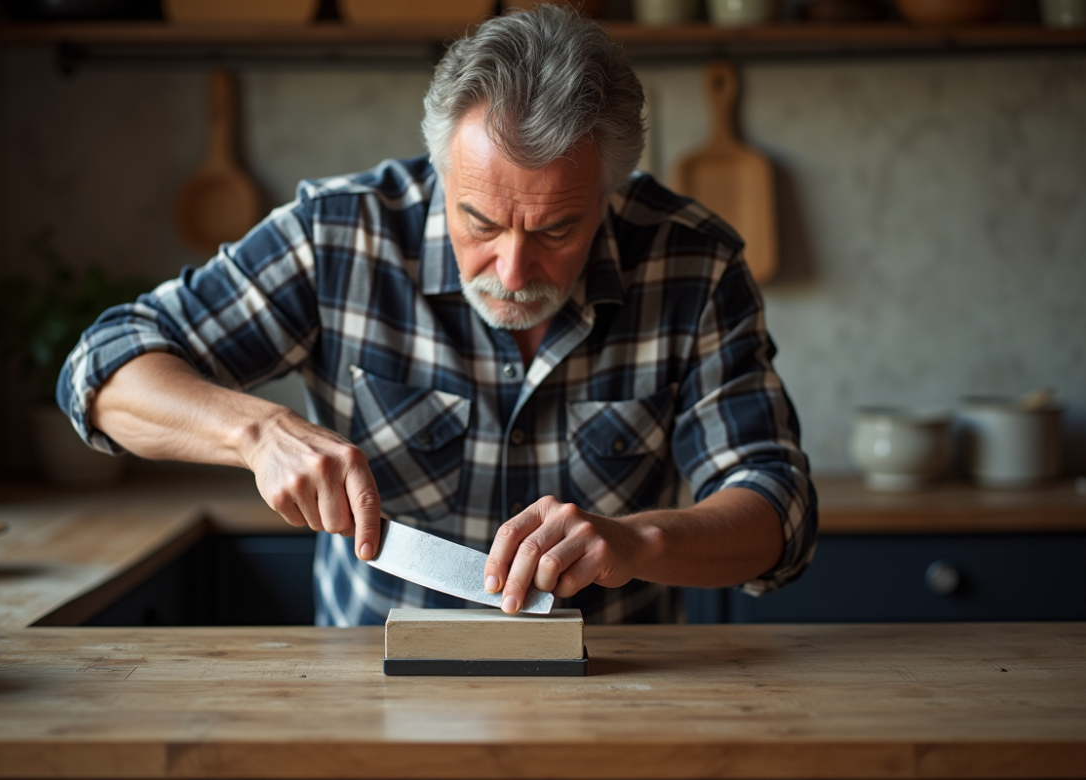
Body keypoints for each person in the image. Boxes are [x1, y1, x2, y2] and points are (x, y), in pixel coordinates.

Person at [58, 6, 816, 627]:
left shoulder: (693, 261)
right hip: (375, 702)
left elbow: (777, 507)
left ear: (609, 195)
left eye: (557, 231)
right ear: (441, 170)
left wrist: (638, 540)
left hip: (614, 694)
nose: (512, 272)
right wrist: (255, 433)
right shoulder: (338, 237)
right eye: (480, 223)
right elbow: (102, 366)